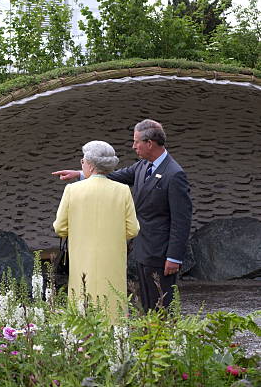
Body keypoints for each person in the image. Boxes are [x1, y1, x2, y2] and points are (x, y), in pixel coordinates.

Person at [53, 119, 192, 312]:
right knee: (148, 306)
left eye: (136, 142)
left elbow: (181, 220)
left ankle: (164, 342)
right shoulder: (143, 165)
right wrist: (82, 173)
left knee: (162, 308)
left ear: (149, 143)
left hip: (161, 254)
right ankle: (151, 340)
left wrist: (174, 257)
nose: (133, 146)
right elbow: (111, 175)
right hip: (143, 250)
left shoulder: (174, 174)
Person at [53, 140, 139, 320]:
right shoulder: (123, 190)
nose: (82, 164)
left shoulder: (72, 190)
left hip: (82, 260)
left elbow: (60, 228)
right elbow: (132, 230)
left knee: (82, 307)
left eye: (83, 161)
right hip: (113, 261)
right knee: (113, 308)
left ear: (90, 166)